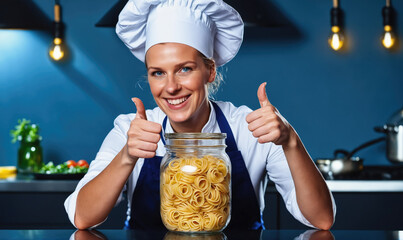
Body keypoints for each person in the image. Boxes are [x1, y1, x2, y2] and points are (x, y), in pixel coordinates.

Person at [65, 0, 336, 231]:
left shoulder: (249, 128)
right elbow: (82, 217)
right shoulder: (131, 129)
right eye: (158, 72)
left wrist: (291, 141)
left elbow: (321, 219)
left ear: (210, 71)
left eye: (184, 69)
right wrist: (127, 155)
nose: (170, 87)